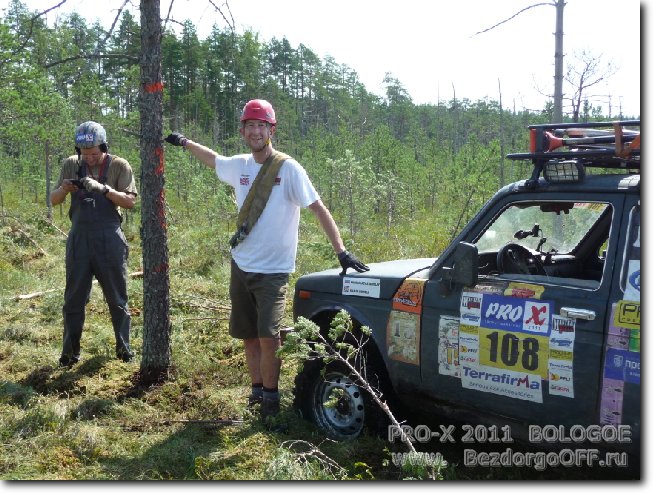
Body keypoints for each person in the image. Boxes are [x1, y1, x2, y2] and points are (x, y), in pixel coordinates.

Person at [165, 99, 369, 418]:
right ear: (243, 130)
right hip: (241, 265)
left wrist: (340, 251)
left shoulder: (288, 169)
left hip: (274, 271)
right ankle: (256, 392)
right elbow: (213, 159)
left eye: (262, 125)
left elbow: (318, 208)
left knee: (269, 335)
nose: (256, 131)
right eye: (250, 125)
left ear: (271, 130)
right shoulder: (240, 166)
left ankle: (272, 402)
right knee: (249, 334)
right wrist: (185, 142)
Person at [50, 121, 138, 367]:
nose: (88, 158)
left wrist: (103, 189)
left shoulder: (119, 165)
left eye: (94, 153)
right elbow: (54, 199)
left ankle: (124, 351)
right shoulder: (71, 164)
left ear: (104, 147)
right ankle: (69, 355)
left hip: (109, 237)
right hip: (79, 238)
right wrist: (66, 189)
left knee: (117, 298)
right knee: (73, 300)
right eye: (84, 153)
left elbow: (130, 202)